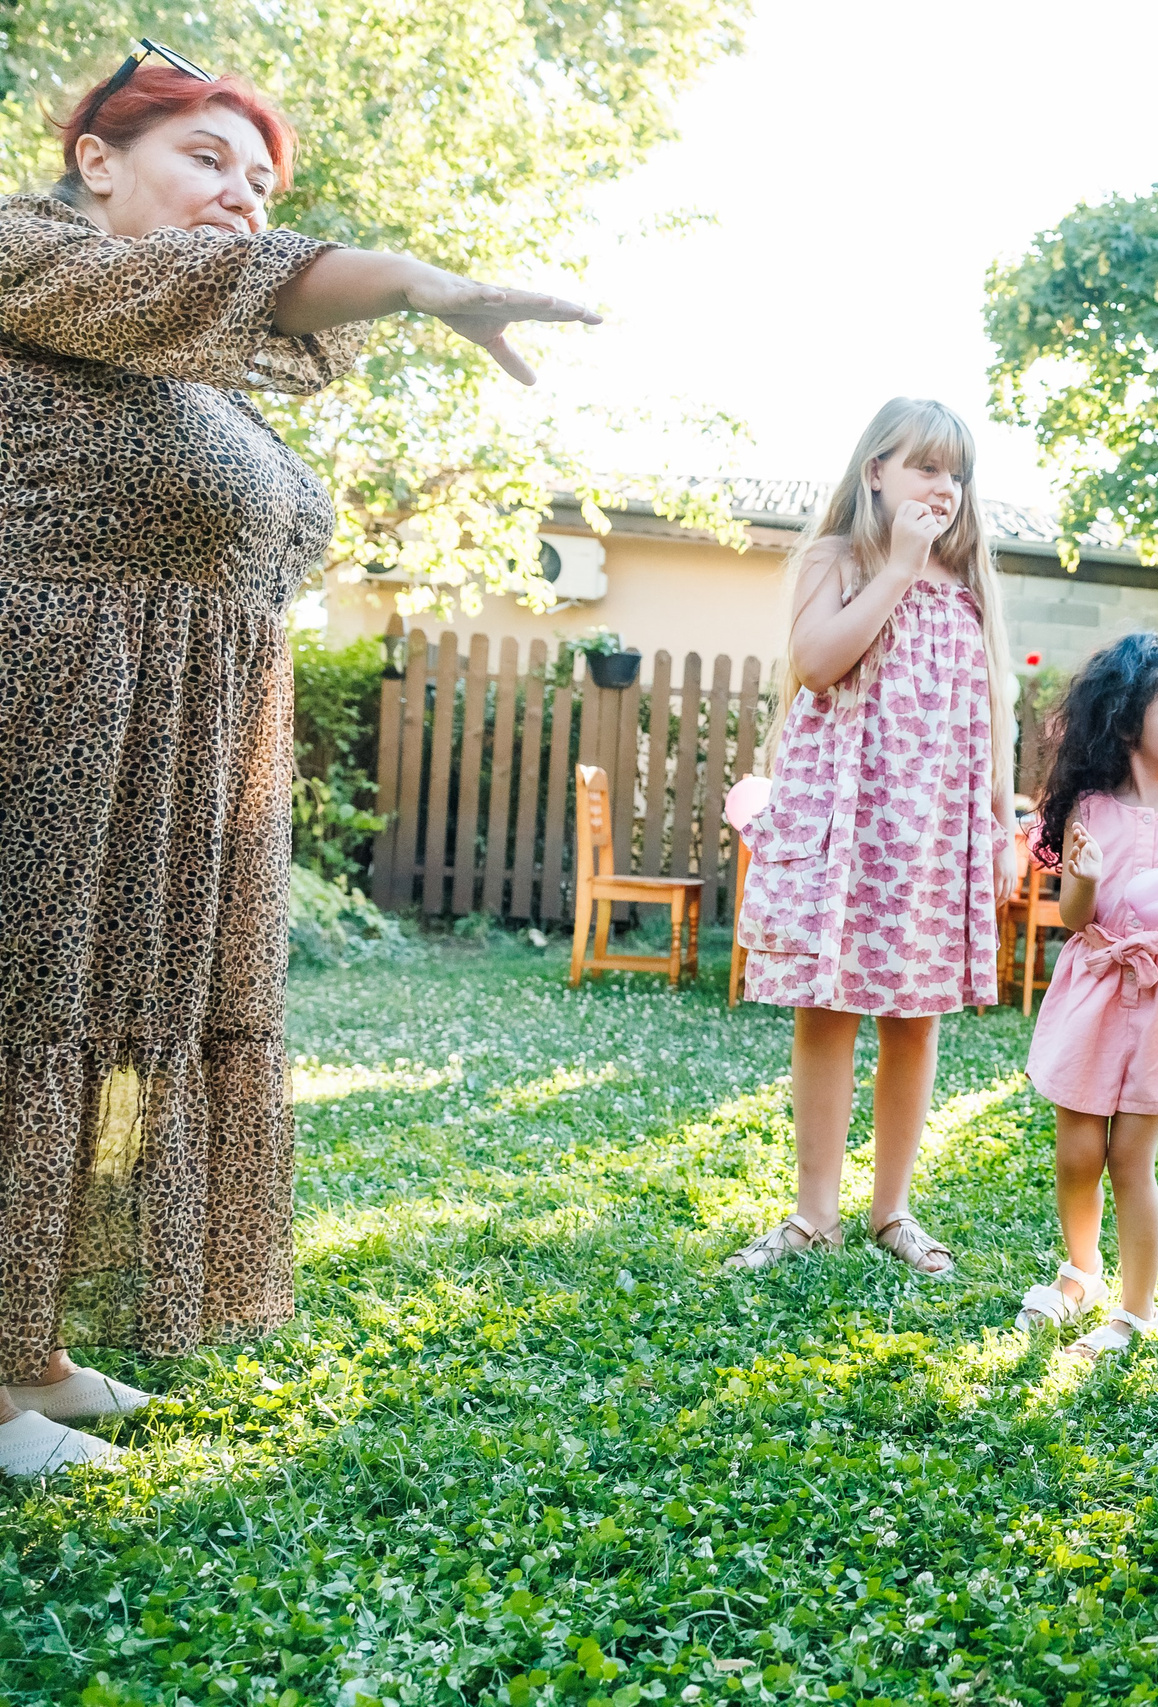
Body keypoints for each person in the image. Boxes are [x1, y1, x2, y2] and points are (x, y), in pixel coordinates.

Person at [0, 45, 595, 1477]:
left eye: (262, 185)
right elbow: (239, 295)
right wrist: (421, 282)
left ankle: (26, 1346)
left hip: (168, 745)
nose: (242, 202)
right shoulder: (26, 257)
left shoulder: (195, 370)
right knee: (23, 1026)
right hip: (41, 716)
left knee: (87, 1042)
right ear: (96, 161)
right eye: (208, 159)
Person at [727, 399, 1016, 1278]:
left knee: (914, 1012)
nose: (942, 486)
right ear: (876, 472)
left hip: (929, 825)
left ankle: (892, 1208)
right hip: (846, 817)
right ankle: (815, 1213)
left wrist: (1000, 821)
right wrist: (896, 567)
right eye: (924, 466)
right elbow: (818, 662)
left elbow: (991, 710)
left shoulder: (967, 588)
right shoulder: (839, 560)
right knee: (827, 1006)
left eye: (954, 473)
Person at [1013, 635, 1158, 1356]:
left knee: (1130, 1156)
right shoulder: (1089, 807)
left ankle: (1135, 1311)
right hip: (1098, 984)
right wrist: (1079, 875)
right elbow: (1075, 917)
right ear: (1124, 721)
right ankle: (1080, 1270)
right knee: (1078, 1150)